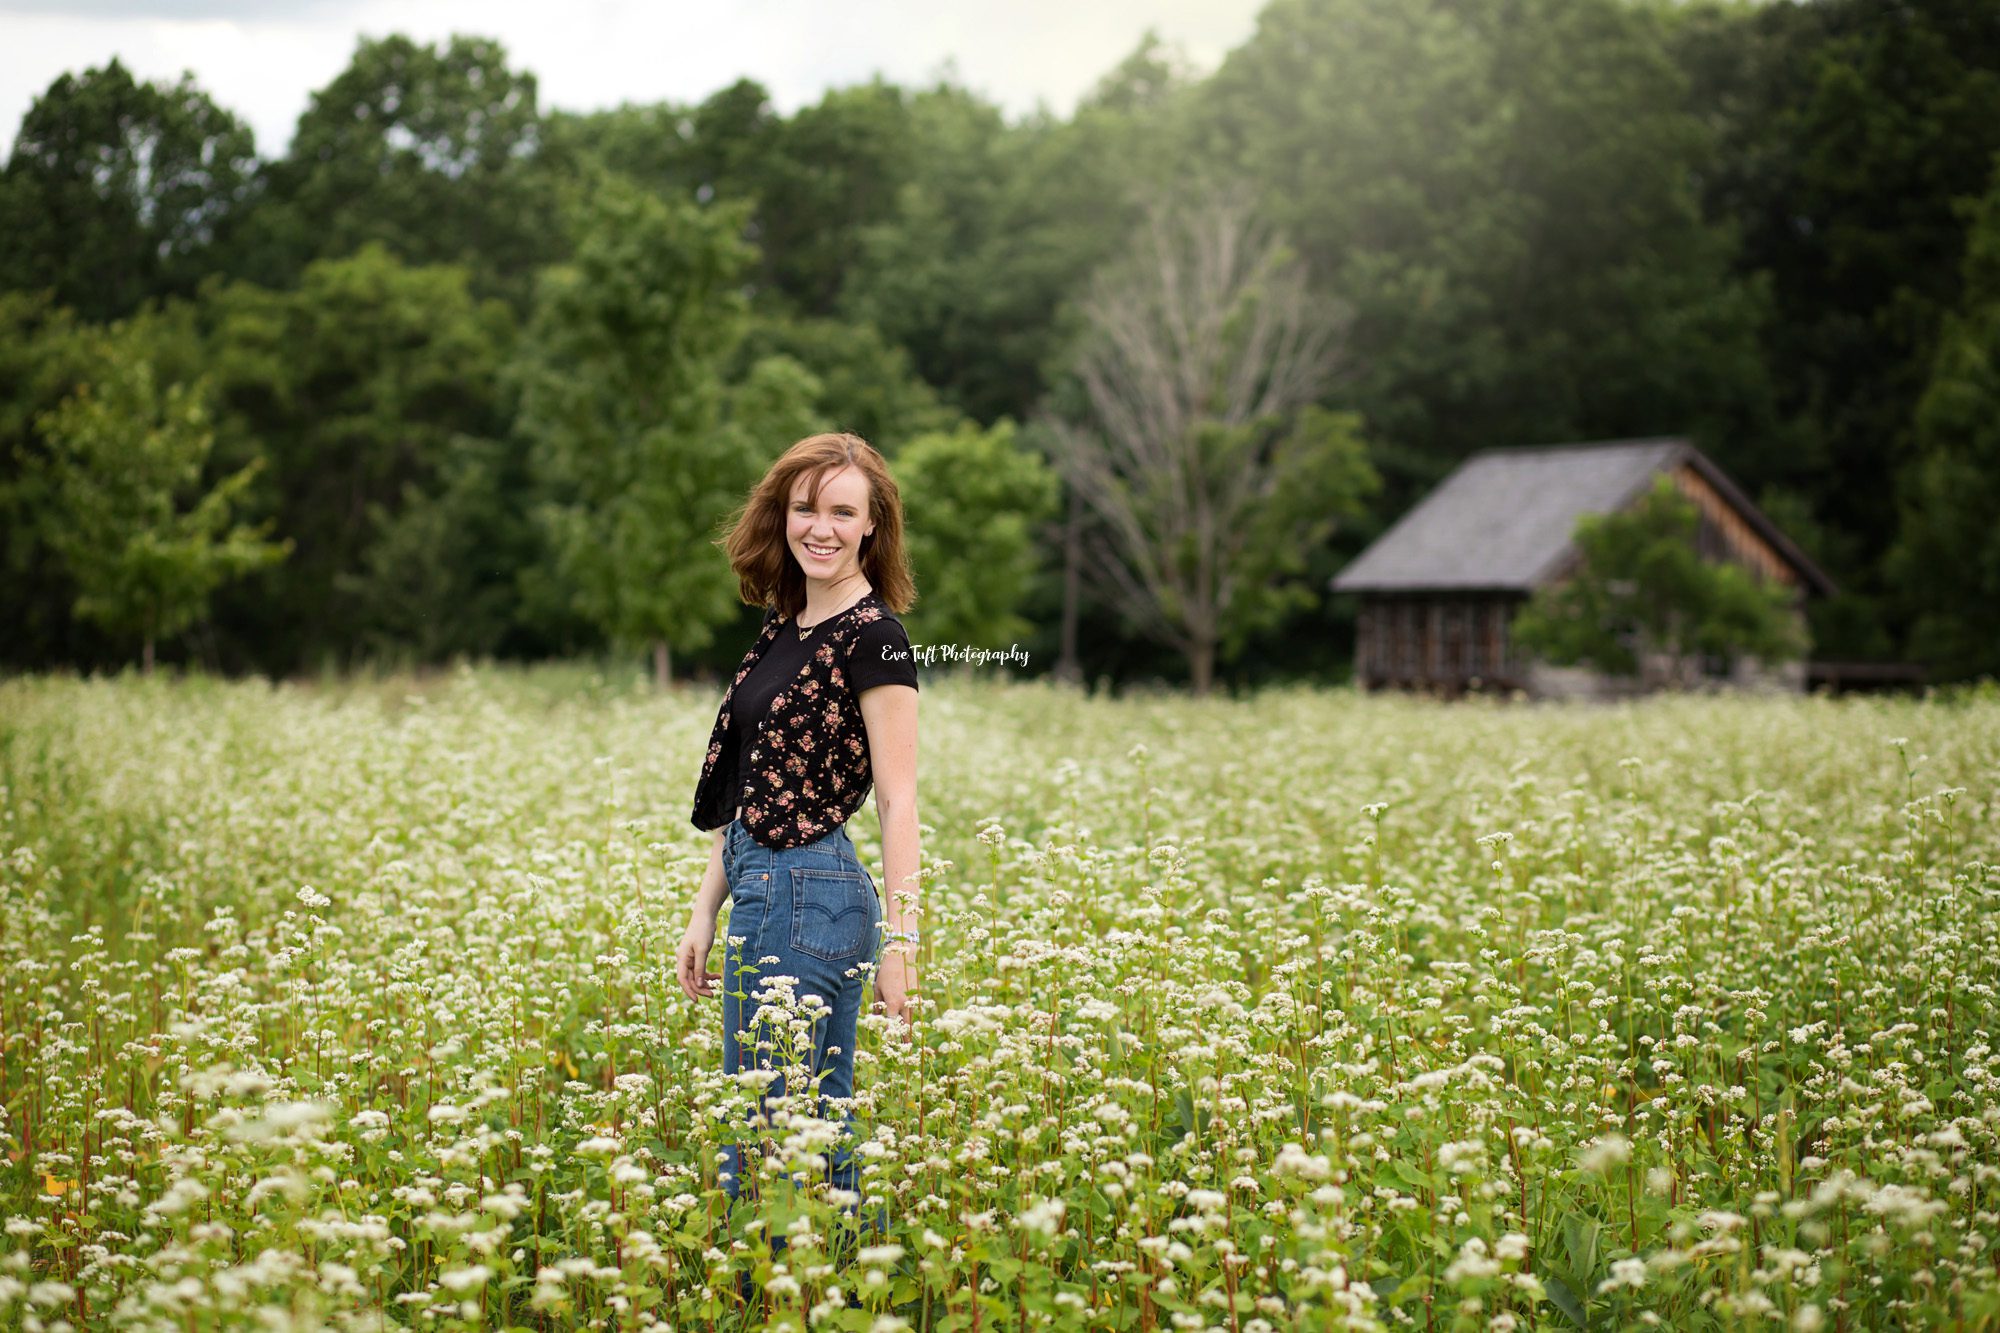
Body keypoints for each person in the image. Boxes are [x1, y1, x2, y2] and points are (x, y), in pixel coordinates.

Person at [675, 431, 922, 1253]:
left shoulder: (872, 637)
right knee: (803, 1133)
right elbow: (751, 784)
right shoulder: (785, 628)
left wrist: (903, 939)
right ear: (781, 515)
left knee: (772, 1135)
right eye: (805, 506)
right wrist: (704, 909)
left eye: (842, 510)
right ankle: (855, 1285)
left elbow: (896, 797)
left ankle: (805, 1294)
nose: (820, 525)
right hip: (763, 883)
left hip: (810, 891)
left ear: (871, 528)